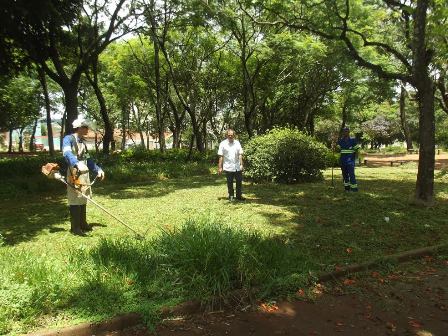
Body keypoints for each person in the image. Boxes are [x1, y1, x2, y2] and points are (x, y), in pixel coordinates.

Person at [63, 116, 105, 235]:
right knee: (75, 199)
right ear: (79, 128)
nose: (87, 129)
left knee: (83, 198)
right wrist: (76, 163)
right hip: (74, 174)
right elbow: (66, 153)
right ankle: (75, 228)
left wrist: (98, 170)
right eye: (85, 127)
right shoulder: (68, 139)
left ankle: (83, 224)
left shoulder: (82, 142)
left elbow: (88, 159)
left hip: (84, 175)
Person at [218, 129, 244, 201]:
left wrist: (241, 164)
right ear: (226, 135)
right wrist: (220, 167)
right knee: (230, 182)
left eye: (231, 135)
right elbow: (221, 156)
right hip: (228, 166)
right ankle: (231, 196)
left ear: (234, 135)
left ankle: (239, 196)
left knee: (239, 182)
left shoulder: (237, 143)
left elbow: (240, 154)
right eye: (228, 135)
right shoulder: (222, 144)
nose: (230, 136)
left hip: (237, 166)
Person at [338, 127, 360, 192]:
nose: (346, 132)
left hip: (351, 161)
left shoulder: (353, 140)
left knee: (351, 175)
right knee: (344, 175)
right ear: (343, 132)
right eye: (344, 131)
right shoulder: (340, 141)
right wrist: (333, 146)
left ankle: (354, 189)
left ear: (349, 132)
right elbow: (338, 149)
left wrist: (356, 160)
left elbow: (357, 150)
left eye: (347, 131)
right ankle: (347, 188)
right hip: (343, 161)